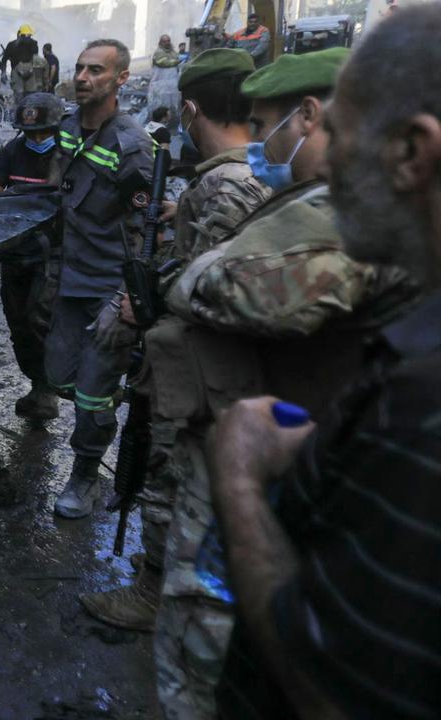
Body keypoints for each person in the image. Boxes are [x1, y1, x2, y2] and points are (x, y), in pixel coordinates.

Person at [154, 46, 418, 720]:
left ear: (309, 115)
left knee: (208, 659)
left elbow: (271, 293)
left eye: (266, 122)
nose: (258, 142)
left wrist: (189, 276)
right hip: (283, 454)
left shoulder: (357, 209)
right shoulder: (321, 200)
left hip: (274, 468)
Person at [209, 8, 441, 716]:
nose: (325, 157)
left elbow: (334, 690)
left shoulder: (424, 406)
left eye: (337, 131)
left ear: (412, 152)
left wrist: (241, 476)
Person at [78, 47, 271, 645]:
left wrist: (144, 305)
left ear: (190, 108)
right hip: (207, 364)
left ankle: (154, 591)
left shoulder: (226, 184)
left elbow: (211, 280)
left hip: (198, 366)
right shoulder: (252, 172)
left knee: (167, 476)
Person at [47, 39, 154, 518]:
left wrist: (127, 300)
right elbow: (62, 195)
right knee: (58, 376)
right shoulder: (68, 129)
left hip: (109, 290)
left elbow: (148, 238)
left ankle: (85, 474)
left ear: (121, 79)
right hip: (69, 280)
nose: (83, 77)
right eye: (79, 67)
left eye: (96, 70)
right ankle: (108, 393)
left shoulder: (132, 147)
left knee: (91, 395)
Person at [0, 92, 65, 422]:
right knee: (18, 321)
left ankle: (48, 389)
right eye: (30, 133)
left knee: (41, 319)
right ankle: (37, 384)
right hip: (16, 250)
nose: (36, 139)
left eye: (43, 133)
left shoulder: (67, 154)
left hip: (51, 254)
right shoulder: (13, 150)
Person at [3, 25, 50, 101]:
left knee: (24, 96)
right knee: (27, 96)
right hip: (27, 73)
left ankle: (23, 110)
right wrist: (3, 72)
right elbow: (4, 59)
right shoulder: (32, 43)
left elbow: (4, 59)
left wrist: (3, 72)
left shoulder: (13, 44)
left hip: (24, 73)